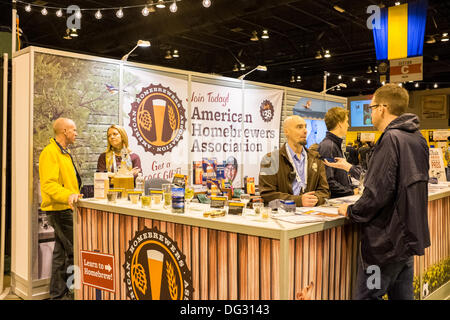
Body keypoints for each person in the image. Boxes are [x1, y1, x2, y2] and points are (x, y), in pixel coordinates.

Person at [336, 84, 430, 300]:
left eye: (371, 108)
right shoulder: (417, 138)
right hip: (406, 238)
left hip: (384, 245)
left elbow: (377, 193)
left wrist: (351, 211)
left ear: (382, 108)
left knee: (368, 295)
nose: (370, 113)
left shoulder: (390, 139)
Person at [39, 118, 83, 300]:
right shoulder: (50, 153)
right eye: (73, 130)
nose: (76, 133)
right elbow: (49, 184)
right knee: (74, 252)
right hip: (60, 210)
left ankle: (57, 295)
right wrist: (67, 196)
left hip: (66, 209)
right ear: (64, 131)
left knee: (61, 253)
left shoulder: (64, 153)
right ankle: (74, 293)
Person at [258, 115, 330, 206]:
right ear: (286, 131)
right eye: (299, 127)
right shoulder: (270, 159)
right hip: (283, 215)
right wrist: (298, 201)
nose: (305, 131)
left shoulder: (315, 158)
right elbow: (267, 194)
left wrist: (315, 199)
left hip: (311, 214)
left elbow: (324, 191)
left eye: (305, 127)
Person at [318, 107, 363, 198]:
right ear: (340, 124)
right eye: (346, 121)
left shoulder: (334, 144)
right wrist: (351, 192)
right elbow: (328, 181)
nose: (348, 125)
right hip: (334, 201)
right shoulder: (328, 146)